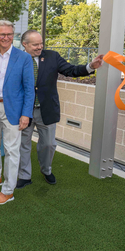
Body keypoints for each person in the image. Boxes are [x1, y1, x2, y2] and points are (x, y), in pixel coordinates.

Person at [17, 30, 104, 188]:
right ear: (25, 44)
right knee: (23, 143)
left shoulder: (52, 56)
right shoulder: (16, 58)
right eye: (35, 44)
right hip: (24, 111)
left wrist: (90, 66)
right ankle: (24, 175)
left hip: (47, 110)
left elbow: (71, 70)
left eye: (41, 43)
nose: (40, 47)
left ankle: (46, 170)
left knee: (48, 144)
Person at [0, 20, 34, 205]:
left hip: (14, 111)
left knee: (12, 151)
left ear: (14, 36)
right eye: (1, 34)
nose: (5, 37)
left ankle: (8, 190)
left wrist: (26, 114)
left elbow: (29, 89)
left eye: (9, 34)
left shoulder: (24, 58)